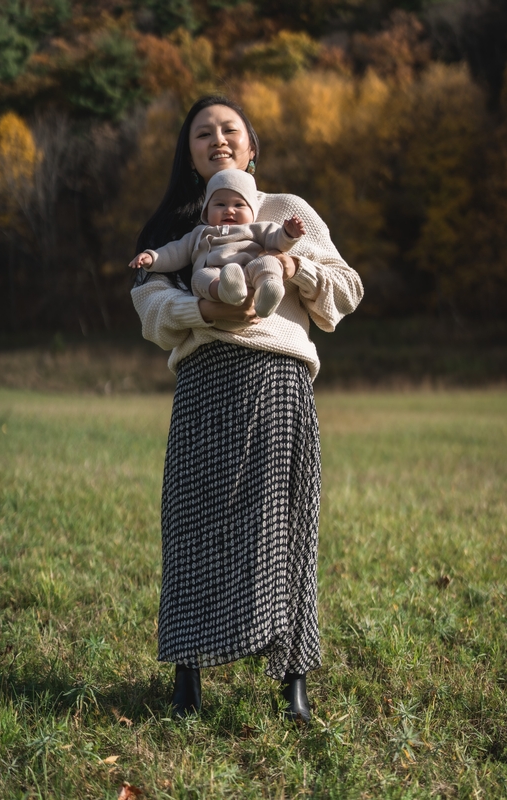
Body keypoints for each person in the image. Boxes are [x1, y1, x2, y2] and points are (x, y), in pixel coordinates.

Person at [131, 95, 364, 723]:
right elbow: (150, 309)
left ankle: (293, 680)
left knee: (284, 525)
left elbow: (347, 289)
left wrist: (293, 265)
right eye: (202, 133)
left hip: (280, 376)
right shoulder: (175, 231)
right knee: (192, 523)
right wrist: (202, 310)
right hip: (205, 377)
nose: (218, 139)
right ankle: (188, 679)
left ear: (252, 145)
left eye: (230, 129)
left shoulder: (286, 212)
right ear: (189, 153)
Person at [129, 169, 306, 321]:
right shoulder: (199, 233)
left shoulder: (257, 229)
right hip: (217, 275)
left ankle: (269, 289)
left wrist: (288, 233)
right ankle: (227, 290)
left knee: (270, 261)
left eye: (238, 205)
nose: (229, 210)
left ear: (252, 211)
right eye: (220, 204)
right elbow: (175, 251)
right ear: (207, 211)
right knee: (199, 278)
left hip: (251, 270)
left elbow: (277, 240)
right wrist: (152, 257)